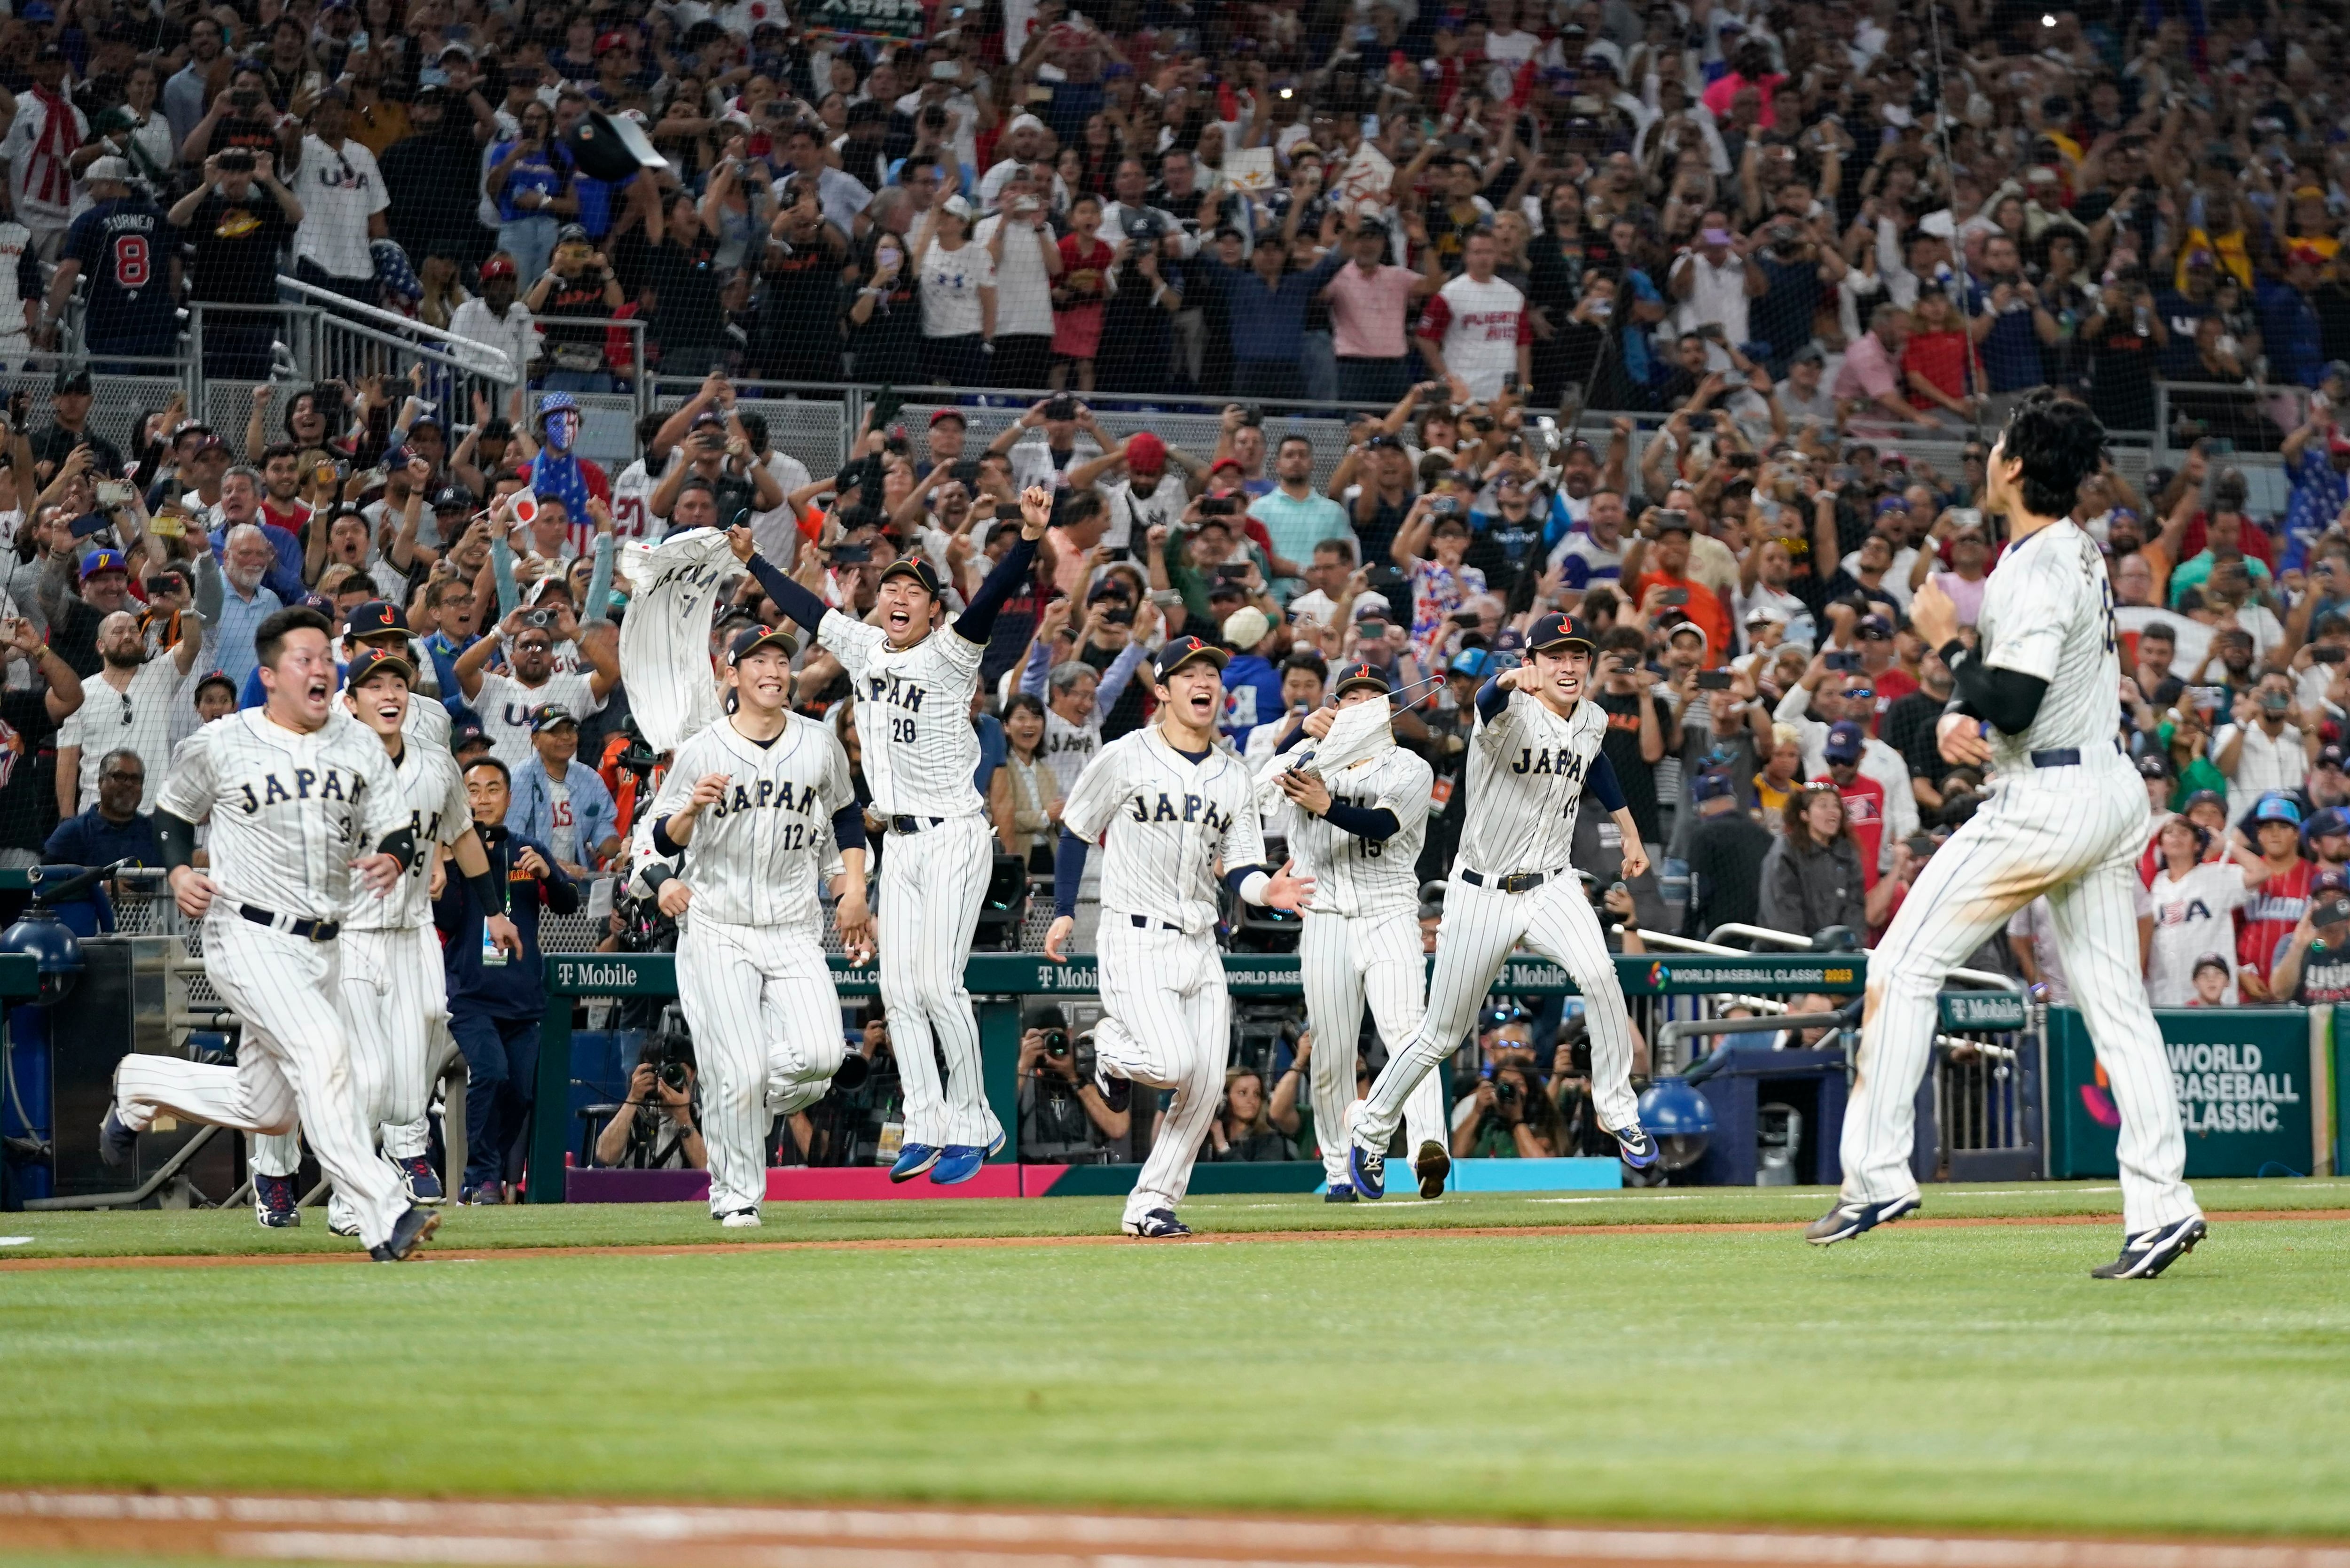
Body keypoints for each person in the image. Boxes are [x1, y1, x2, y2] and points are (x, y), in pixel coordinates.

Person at [1809, 393, 2207, 1279]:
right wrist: (1961, 709)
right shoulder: (2071, 549)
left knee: (1902, 964)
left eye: (1997, 446)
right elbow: (2023, 691)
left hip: (2048, 800)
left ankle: (1876, 1176)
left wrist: (1948, 647)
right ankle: (2163, 1205)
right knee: (2116, 1006)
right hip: (2100, 782)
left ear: (2017, 466)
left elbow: (2018, 700)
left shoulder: (2029, 568)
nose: (1986, 456)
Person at [731, 485, 1054, 1187]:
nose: (902, 596)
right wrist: (756, 563)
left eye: (916, 589)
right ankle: (929, 1122)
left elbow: (993, 596)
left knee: (939, 984)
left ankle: (976, 1122)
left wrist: (1028, 539)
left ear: (934, 607)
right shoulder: (862, 643)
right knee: (899, 991)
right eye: (893, 587)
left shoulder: (950, 653)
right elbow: (812, 611)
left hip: (953, 835)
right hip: (898, 844)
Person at [96, 608, 438, 1262]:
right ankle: (383, 1213)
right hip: (247, 934)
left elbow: (396, 825)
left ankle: (139, 1083)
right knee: (323, 1050)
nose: (319, 668)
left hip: (325, 945)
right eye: (303, 658)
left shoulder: (357, 741)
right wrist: (175, 869)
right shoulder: (225, 739)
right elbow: (172, 810)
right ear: (271, 675)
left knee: (269, 1108)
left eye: (324, 657)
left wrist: (393, 857)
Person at [1345, 613, 1660, 1200]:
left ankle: (1617, 1111)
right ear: (1533, 662)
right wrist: (1504, 682)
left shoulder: (1590, 717)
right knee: (1441, 1032)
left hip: (1552, 884)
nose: (1568, 667)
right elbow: (1485, 707)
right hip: (1482, 890)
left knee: (1599, 972)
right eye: (1554, 657)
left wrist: (1631, 831)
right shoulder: (1507, 708)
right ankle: (1369, 1129)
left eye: (1577, 657)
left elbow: (1597, 763)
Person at [1043, 633, 1315, 1236]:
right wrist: (1064, 908)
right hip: (1133, 934)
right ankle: (1107, 1050)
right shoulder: (1125, 754)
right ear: (1161, 691)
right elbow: (1076, 829)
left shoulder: (1233, 774)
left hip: (1199, 940)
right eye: (1188, 674)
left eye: (1211, 674)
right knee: (1170, 1063)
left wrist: (1266, 891)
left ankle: (1150, 1204)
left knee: (1205, 1080)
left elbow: (1241, 864)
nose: (1204, 683)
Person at [247, 647, 518, 1228]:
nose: (391, 694)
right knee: (349, 1073)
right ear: (351, 700)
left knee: (409, 1060)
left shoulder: (436, 763)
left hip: (412, 926)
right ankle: (328, 1190)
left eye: (399, 683)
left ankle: (400, 1148)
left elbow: (462, 834)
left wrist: (493, 910)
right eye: (376, 685)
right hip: (339, 934)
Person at [631, 624, 871, 1227]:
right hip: (718, 926)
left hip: (793, 926)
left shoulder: (819, 744)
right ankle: (735, 1195)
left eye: (781, 660)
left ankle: (748, 1090)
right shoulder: (702, 749)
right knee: (738, 1071)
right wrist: (686, 816)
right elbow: (655, 841)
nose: (773, 670)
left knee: (821, 1056)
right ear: (731, 674)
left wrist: (854, 890)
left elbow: (844, 817)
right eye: (757, 660)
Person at [1271, 661, 1449, 1201]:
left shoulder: (1411, 768)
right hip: (1323, 913)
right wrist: (1299, 735)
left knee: (1408, 1032)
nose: (1362, 704)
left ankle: (1426, 1150)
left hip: (1388, 910)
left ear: (1389, 708)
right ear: (1336, 707)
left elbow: (1383, 824)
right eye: (1351, 697)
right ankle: (1336, 1170)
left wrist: (1326, 805)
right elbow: (1260, 782)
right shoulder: (1308, 758)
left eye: (1373, 696)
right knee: (1330, 1049)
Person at [436, 754, 580, 1205]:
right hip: (471, 997)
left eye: (492, 789)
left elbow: (568, 903)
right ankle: (479, 1179)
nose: (482, 799)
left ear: (508, 796)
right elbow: (448, 919)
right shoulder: (450, 853)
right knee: (492, 1073)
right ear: (462, 798)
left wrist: (550, 874)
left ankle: (490, 1174)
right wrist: (445, 872)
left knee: (520, 1091)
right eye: (473, 790)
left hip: (523, 999)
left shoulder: (525, 849)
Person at [55, 607, 203, 816]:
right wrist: (67, 818)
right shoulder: (80, 694)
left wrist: (187, 608)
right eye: (118, 632)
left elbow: (192, 645)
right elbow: (67, 760)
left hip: (153, 814)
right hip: (96, 814)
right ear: (100, 646)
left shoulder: (161, 675)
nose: (127, 636)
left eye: (134, 631)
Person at [2144, 817, 2267, 1008]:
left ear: (2196, 845)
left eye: (2184, 833)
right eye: (2170, 833)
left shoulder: (2215, 875)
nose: (2177, 837)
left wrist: (2227, 845)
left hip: (2212, 994)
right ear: (2161, 845)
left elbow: (2261, 872)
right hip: (2163, 994)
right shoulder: (2153, 885)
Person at [1758, 784, 1872, 939]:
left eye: (1836, 806)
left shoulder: (1847, 854)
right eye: (1823, 806)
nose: (1833, 812)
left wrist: (1851, 949)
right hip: (1789, 955)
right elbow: (1782, 912)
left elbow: (1855, 909)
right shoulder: (1786, 852)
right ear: (1805, 815)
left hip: (1835, 956)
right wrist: (1808, 956)